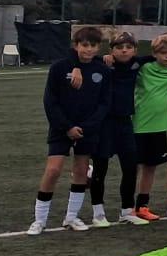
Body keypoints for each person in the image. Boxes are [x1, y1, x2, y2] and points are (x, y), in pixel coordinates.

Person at [32, 26, 109, 233]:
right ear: (76, 45)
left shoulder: (102, 69)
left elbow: (104, 103)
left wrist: (86, 126)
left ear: (98, 47)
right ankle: (39, 219)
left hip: (87, 129)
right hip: (62, 128)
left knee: (81, 171)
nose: (89, 50)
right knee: (53, 170)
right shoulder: (59, 68)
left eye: (93, 45)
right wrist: (66, 127)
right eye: (84, 45)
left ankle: (71, 217)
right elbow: (50, 101)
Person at [126, 34, 167, 223]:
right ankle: (127, 208)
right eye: (163, 53)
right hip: (138, 125)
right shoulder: (144, 67)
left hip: (159, 126)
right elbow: (129, 61)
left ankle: (142, 206)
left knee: (150, 167)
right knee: (132, 168)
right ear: (154, 53)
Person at [88, 32, 140, 226]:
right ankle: (98, 212)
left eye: (128, 47)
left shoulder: (137, 64)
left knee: (130, 167)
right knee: (101, 167)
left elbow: (161, 56)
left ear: (135, 50)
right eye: (119, 47)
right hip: (104, 123)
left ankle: (127, 210)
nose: (124, 50)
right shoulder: (102, 64)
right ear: (111, 50)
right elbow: (76, 57)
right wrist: (102, 59)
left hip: (125, 122)